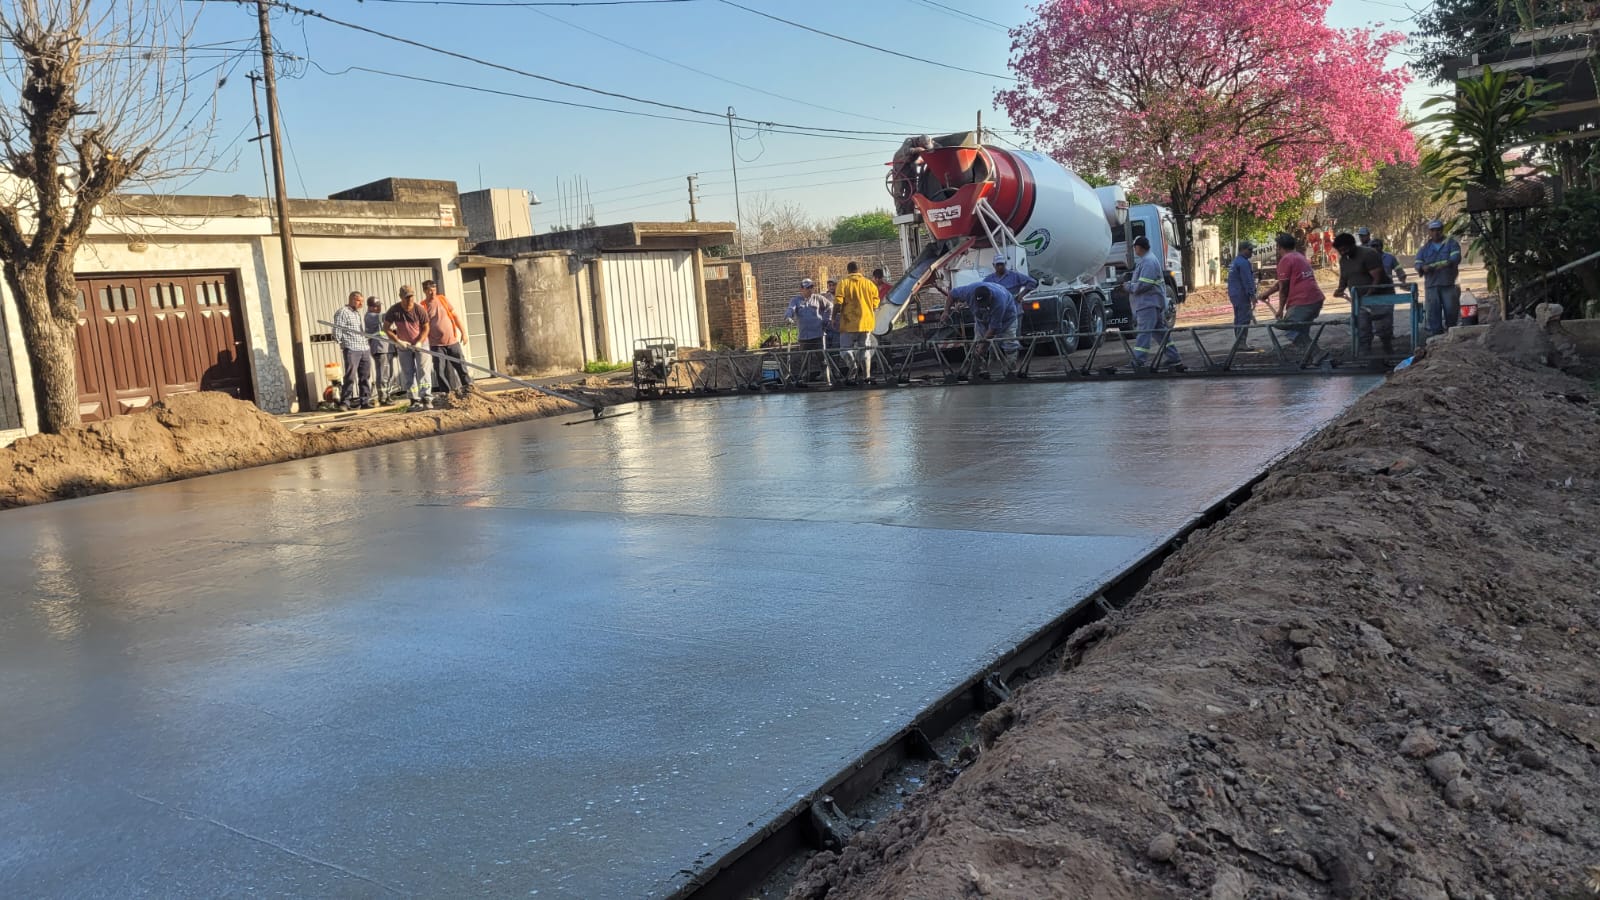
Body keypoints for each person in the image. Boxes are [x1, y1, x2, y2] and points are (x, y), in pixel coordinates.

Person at [1259, 232, 1325, 350]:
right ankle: (1311, 357)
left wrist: (1280, 310)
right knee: (1301, 331)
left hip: (1303, 301)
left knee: (1291, 331)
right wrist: (1267, 293)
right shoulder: (1300, 257)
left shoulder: (1286, 260)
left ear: (1279, 247)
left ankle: (1319, 356)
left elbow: (1284, 288)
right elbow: (1282, 283)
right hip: (1315, 299)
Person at [1333, 232, 1395, 355]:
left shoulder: (1368, 254)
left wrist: (1369, 293)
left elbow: (1377, 277)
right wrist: (1340, 289)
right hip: (1359, 299)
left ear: (1352, 245)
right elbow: (1344, 277)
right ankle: (1365, 353)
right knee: (1362, 327)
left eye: (1345, 249)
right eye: (1340, 251)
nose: (1343, 252)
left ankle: (1387, 349)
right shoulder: (1344, 260)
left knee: (1383, 326)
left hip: (1380, 296)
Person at [1128, 235, 1182, 370]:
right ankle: (1174, 358)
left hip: (1148, 304)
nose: (1134, 250)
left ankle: (1138, 361)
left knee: (1144, 333)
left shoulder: (1148, 262)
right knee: (1160, 332)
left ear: (1139, 247)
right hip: (1152, 303)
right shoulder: (1148, 260)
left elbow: (1143, 285)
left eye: (1135, 247)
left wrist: (1128, 287)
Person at [948, 282, 1020, 378]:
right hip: (982, 321)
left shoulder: (999, 301)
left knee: (1009, 344)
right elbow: (951, 294)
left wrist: (982, 345)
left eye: (985, 304)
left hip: (1006, 319)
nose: (983, 306)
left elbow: (993, 328)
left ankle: (1011, 371)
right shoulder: (968, 291)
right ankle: (975, 373)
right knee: (978, 346)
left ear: (990, 297)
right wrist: (946, 312)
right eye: (980, 304)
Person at [384, 285, 432, 409]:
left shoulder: (419, 309)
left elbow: (426, 327)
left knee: (423, 370)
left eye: (411, 296)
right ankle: (414, 399)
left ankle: (426, 397)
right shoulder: (394, 310)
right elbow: (386, 328)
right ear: (401, 297)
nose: (409, 299)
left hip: (420, 344)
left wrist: (420, 342)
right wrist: (397, 341)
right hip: (404, 346)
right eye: (406, 297)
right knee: (408, 372)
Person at [421, 279, 471, 400]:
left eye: (434, 289)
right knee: (440, 370)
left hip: (452, 341)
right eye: (430, 290)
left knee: (461, 366)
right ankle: (446, 394)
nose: (433, 292)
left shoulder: (442, 299)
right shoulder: (422, 306)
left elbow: (455, 316)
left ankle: (469, 389)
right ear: (425, 291)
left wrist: (464, 333)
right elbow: (421, 326)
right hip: (436, 345)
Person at [833, 262, 880, 384]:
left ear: (848, 270)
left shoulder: (843, 283)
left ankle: (853, 369)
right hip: (866, 323)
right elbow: (875, 303)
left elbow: (838, 303)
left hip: (848, 324)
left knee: (845, 349)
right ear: (859, 270)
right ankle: (866, 376)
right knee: (865, 349)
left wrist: (833, 317)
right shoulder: (869, 284)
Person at [1414, 219, 1463, 335]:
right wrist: (1422, 267)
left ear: (1442, 230)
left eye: (1438, 230)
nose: (1436, 232)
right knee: (1433, 312)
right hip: (1432, 285)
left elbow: (1455, 258)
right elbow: (1417, 263)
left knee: (1451, 310)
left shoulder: (1451, 244)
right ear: (1429, 232)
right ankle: (1436, 335)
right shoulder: (1424, 248)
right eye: (1433, 230)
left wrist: (1445, 264)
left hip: (1449, 284)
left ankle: (1452, 333)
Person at [784, 278, 834, 381]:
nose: (810, 289)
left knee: (823, 358)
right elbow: (791, 309)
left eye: (811, 287)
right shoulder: (796, 300)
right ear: (801, 289)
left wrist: (826, 319)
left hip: (818, 334)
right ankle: (804, 379)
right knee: (805, 360)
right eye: (808, 288)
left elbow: (830, 306)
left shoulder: (818, 298)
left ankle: (826, 378)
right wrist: (788, 317)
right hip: (804, 336)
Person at [331, 291, 373, 409]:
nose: (361, 304)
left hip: (364, 348)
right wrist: (343, 343)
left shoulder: (357, 314)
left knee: (365, 376)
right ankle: (345, 402)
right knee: (350, 376)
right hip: (352, 348)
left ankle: (365, 401)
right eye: (359, 301)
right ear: (352, 300)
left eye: (362, 301)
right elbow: (337, 330)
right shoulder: (343, 312)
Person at [1226, 241, 1258, 350]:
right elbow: (1247, 280)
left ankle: (1239, 343)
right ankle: (1241, 343)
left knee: (1238, 318)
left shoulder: (1235, 262)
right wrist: (1252, 295)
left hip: (1234, 294)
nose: (1252, 252)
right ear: (1242, 249)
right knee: (1244, 319)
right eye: (1250, 250)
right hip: (1241, 294)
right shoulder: (1244, 263)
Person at [364, 295, 395, 404]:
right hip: (379, 348)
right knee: (383, 374)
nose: (379, 308)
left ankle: (388, 395)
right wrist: (396, 311)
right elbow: (385, 316)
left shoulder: (376, 316)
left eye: (379, 306)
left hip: (387, 347)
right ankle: (383, 398)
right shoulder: (370, 316)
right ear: (371, 307)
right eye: (376, 306)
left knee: (389, 373)